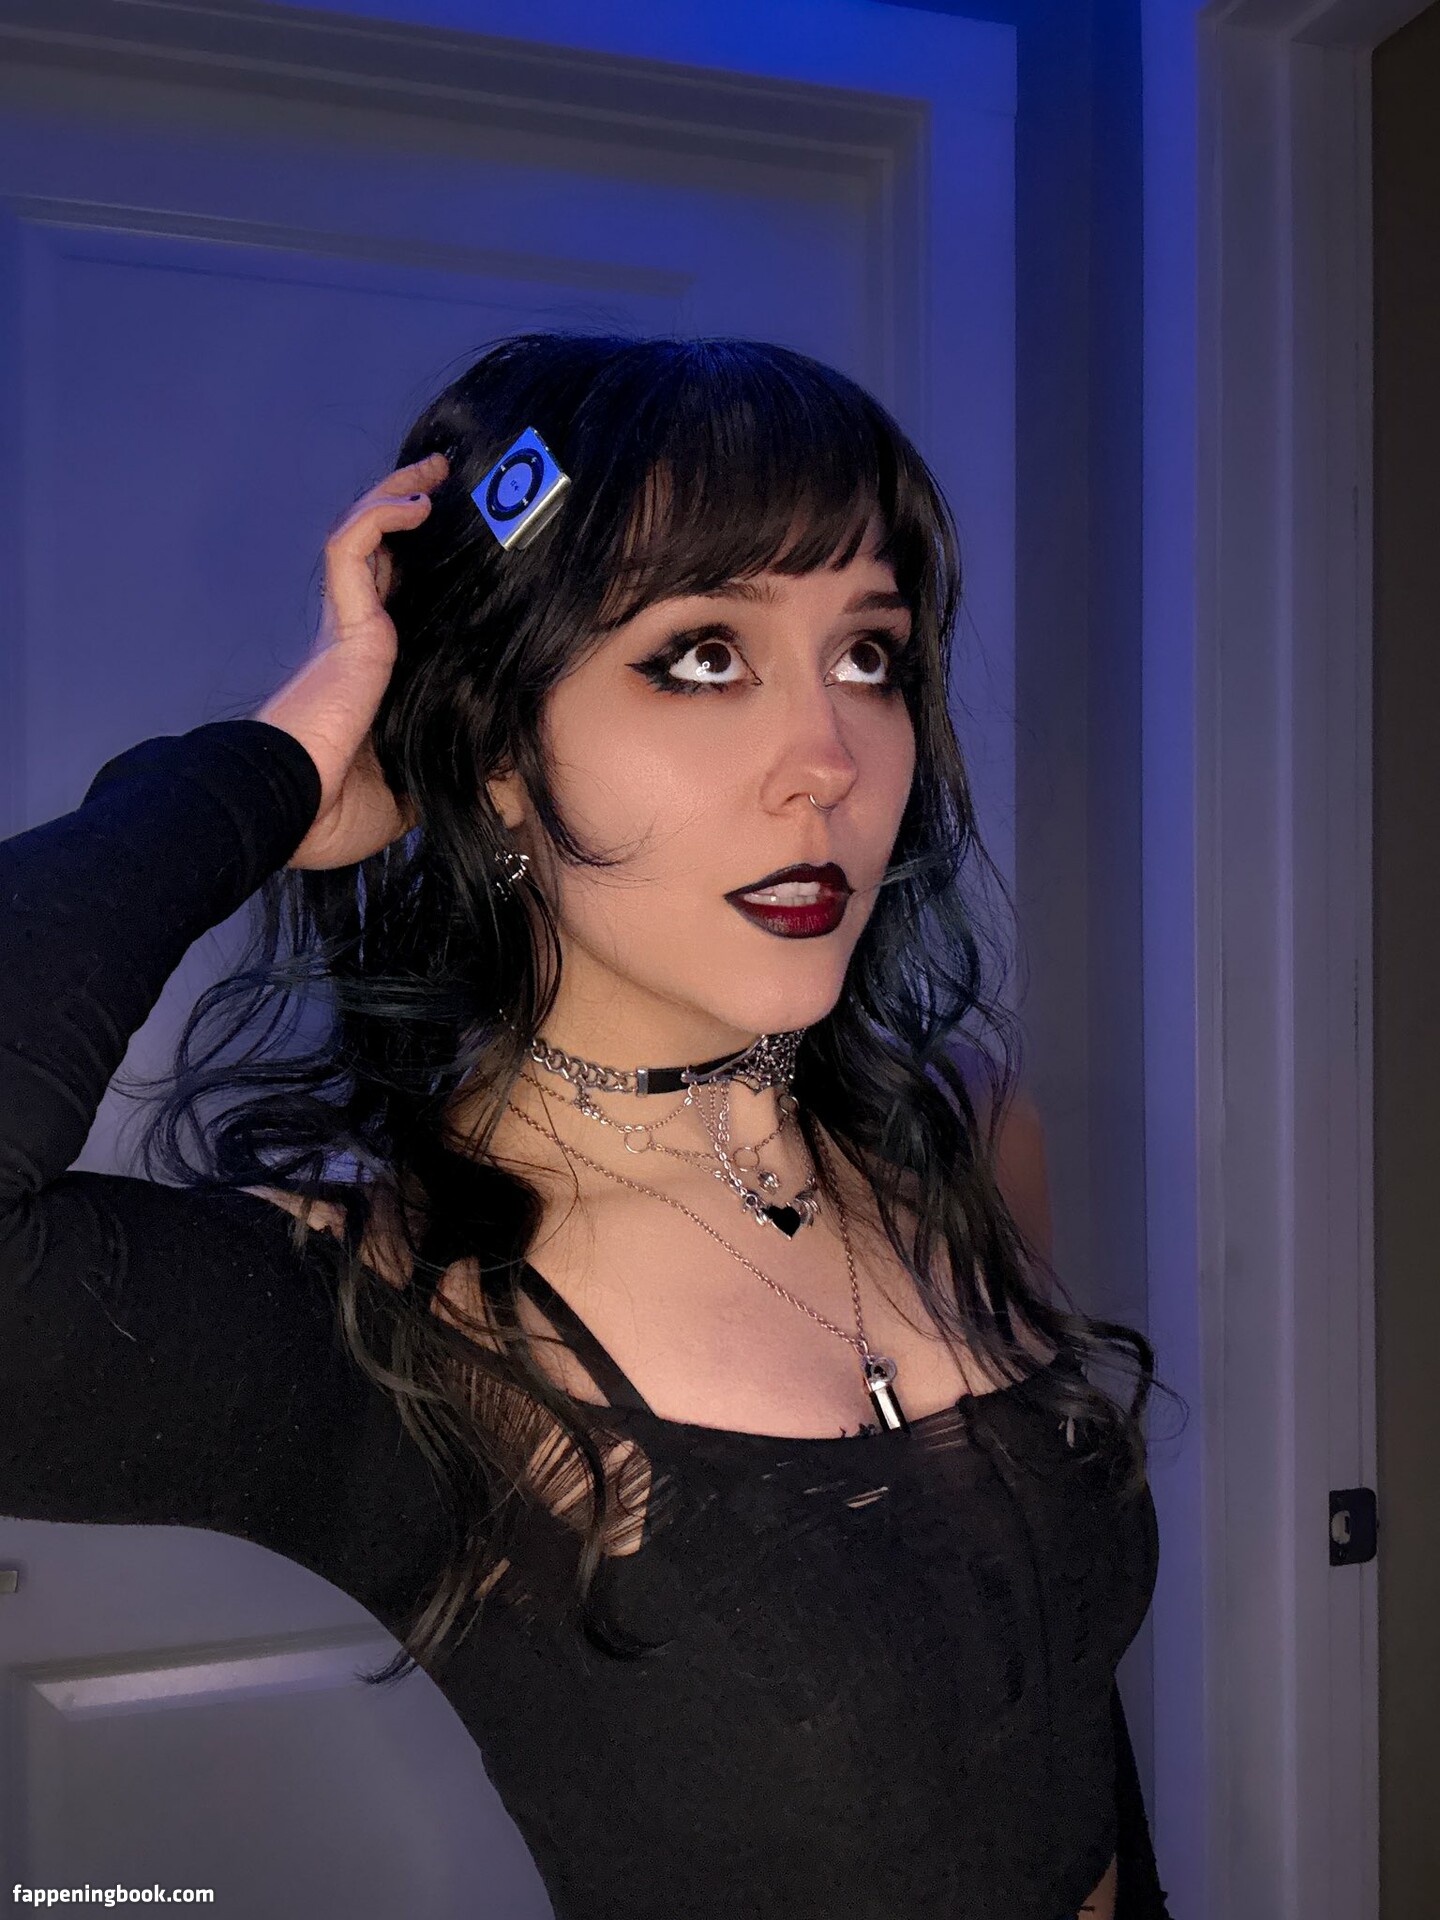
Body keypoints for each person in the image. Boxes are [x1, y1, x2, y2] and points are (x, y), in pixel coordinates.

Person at [0, 333, 1176, 1919]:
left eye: (868, 656)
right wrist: (260, 773)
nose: (825, 763)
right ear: (494, 752)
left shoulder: (954, 1135)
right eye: (702, 656)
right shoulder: (384, 1316)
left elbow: (1065, 1741)